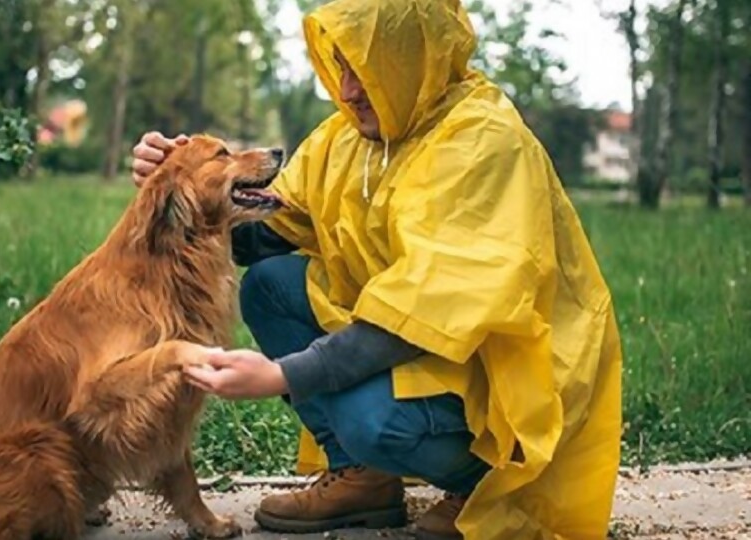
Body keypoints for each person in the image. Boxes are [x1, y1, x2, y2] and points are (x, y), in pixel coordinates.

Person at [131, 0, 623, 538]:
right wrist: (179, 188)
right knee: (271, 287)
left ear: (415, 57)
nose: (346, 90)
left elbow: (418, 319)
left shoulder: (482, 142)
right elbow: (260, 239)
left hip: (502, 384)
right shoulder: (348, 137)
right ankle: (364, 480)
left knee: (369, 418)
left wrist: (282, 375)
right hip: (423, 348)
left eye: (364, 69)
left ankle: (483, 482)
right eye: (340, 66)